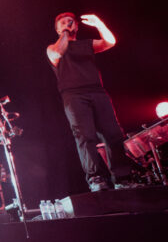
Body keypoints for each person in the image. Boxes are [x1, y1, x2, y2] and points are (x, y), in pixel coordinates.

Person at [46, 12, 136, 191]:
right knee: (85, 136)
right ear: (57, 29)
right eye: (62, 23)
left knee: (113, 134)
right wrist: (65, 33)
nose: (67, 23)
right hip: (73, 95)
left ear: (77, 26)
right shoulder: (52, 48)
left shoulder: (86, 44)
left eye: (70, 22)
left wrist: (99, 23)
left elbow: (110, 42)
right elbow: (59, 53)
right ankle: (96, 179)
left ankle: (123, 178)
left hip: (97, 92)